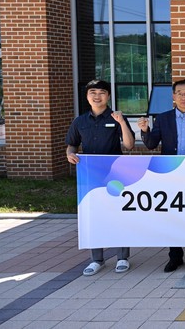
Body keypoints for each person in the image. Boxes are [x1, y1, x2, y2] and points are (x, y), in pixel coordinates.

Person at [138, 79, 185, 273]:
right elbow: (151, 144)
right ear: (173, 96)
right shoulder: (163, 118)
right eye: (179, 93)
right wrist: (145, 131)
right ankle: (175, 255)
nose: (184, 97)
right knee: (173, 215)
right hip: (170, 174)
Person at [66, 80, 135, 276]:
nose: (97, 96)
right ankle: (97, 259)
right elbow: (72, 145)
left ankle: (122, 257)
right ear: (87, 96)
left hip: (115, 175)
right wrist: (70, 154)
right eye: (93, 92)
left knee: (118, 215)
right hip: (91, 176)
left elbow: (129, 145)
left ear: (108, 96)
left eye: (102, 92)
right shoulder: (80, 121)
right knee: (94, 217)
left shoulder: (117, 117)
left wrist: (122, 123)